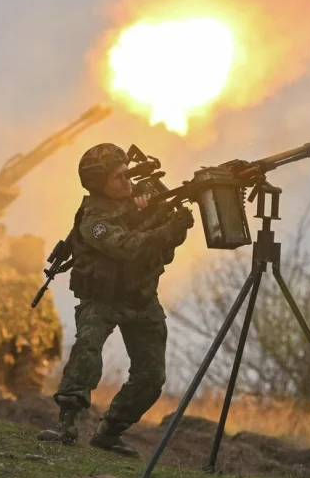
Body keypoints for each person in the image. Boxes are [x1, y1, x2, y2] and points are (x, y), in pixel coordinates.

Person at [38, 143, 194, 458]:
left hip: (140, 297)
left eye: (127, 173)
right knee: (87, 353)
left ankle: (109, 434)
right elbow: (127, 246)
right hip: (102, 299)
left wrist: (172, 227)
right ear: (100, 184)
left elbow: (161, 250)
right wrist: (166, 230)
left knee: (151, 376)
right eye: (118, 177)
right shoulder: (93, 217)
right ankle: (66, 425)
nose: (127, 181)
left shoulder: (141, 201)